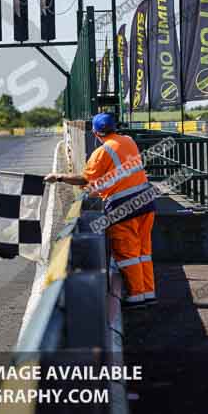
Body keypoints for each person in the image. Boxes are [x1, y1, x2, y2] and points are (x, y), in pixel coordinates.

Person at [44, 113, 156, 309]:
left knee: (128, 253)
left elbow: (85, 180)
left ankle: (137, 295)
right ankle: (149, 293)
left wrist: (59, 177)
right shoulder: (129, 141)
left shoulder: (101, 152)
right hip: (146, 203)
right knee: (143, 251)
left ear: (96, 133)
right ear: (115, 128)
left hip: (124, 208)